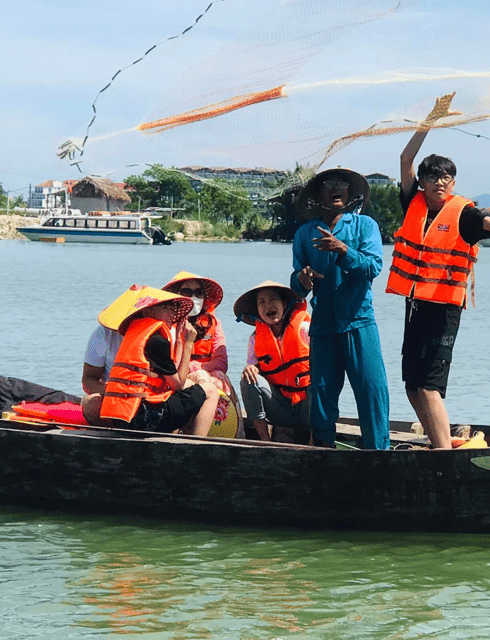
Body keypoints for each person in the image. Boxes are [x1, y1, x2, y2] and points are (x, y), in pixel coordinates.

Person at [387, 93, 490, 449]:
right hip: (416, 306)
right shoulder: (414, 202)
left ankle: (442, 453)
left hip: (444, 309)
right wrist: (431, 118)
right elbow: (405, 157)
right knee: (412, 384)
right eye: (434, 177)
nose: (441, 182)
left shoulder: (464, 214)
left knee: (429, 385)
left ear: (453, 184)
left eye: (447, 178)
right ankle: (436, 441)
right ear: (423, 181)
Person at [290, 168, 390, 449]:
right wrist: (302, 279)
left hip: (359, 323)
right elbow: (296, 283)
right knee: (321, 397)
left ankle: (379, 455)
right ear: (319, 194)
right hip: (322, 328)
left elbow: (373, 267)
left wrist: (343, 251)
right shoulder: (304, 234)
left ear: (349, 194)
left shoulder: (365, 226)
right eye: (330, 185)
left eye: (341, 185)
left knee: (372, 392)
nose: (336, 189)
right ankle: (323, 454)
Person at [99, 287, 221, 436]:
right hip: (143, 418)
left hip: (122, 416)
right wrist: (189, 343)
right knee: (210, 390)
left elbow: (173, 374)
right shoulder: (156, 340)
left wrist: (181, 341)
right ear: (148, 311)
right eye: (166, 308)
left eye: (172, 309)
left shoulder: (138, 333)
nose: (171, 313)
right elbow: (178, 384)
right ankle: (197, 444)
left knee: (186, 388)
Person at [161, 271, 244, 438]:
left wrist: (200, 371)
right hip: (177, 378)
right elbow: (170, 364)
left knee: (220, 379)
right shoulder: (168, 325)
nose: (193, 297)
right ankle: (184, 434)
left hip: (210, 376)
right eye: (187, 292)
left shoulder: (214, 323)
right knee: (200, 379)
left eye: (198, 292)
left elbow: (221, 362)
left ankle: (237, 435)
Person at [233, 280, 312, 442]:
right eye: (262, 302)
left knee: (321, 380)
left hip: (308, 410)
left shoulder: (305, 328)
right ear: (257, 311)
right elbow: (254, 366)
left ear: (284, 304)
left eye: (273, 299)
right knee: (248, 379)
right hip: (280, 410)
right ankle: (265, 441)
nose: (268, 305)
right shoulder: (256, 339)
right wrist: (252, 368)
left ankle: (315, 440)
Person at [81, 284, 142, 425]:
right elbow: (88, 379)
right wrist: (112, 391)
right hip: (113, 394)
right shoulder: (103, 334)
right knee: (92, 404)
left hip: (149, 396)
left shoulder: (159, 334)